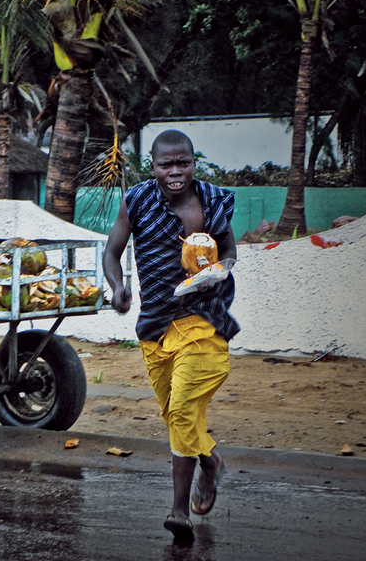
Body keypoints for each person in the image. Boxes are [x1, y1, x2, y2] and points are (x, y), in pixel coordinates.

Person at [102, 129, 239, 540]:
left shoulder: (213, 201)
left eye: (183, 163)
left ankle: (179, 511)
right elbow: (111, 251)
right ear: (154, 167)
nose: (175, 172)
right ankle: (210, 461)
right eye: (166, 165)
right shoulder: (138, 200)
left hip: (204, 321)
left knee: (181, 412)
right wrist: (118, 286)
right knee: (175, 416)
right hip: (156, 327)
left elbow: (229, 249)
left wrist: (221, 267)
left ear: (194, 163)